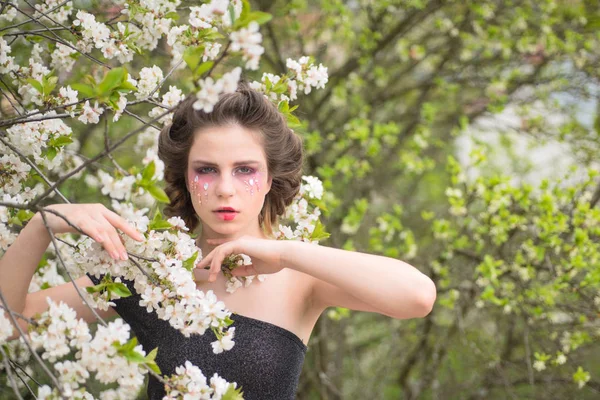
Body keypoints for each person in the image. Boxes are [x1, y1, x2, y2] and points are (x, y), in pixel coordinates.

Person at [0, 81, 437, 399]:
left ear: (269, 179)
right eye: (207, 169)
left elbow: (417, 297)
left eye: (245, 170)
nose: (225, 188)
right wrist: (42, 225)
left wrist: (284, 252)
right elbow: (10, 321)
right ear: (186, 179)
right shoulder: (148, 273)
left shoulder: (301, 278)